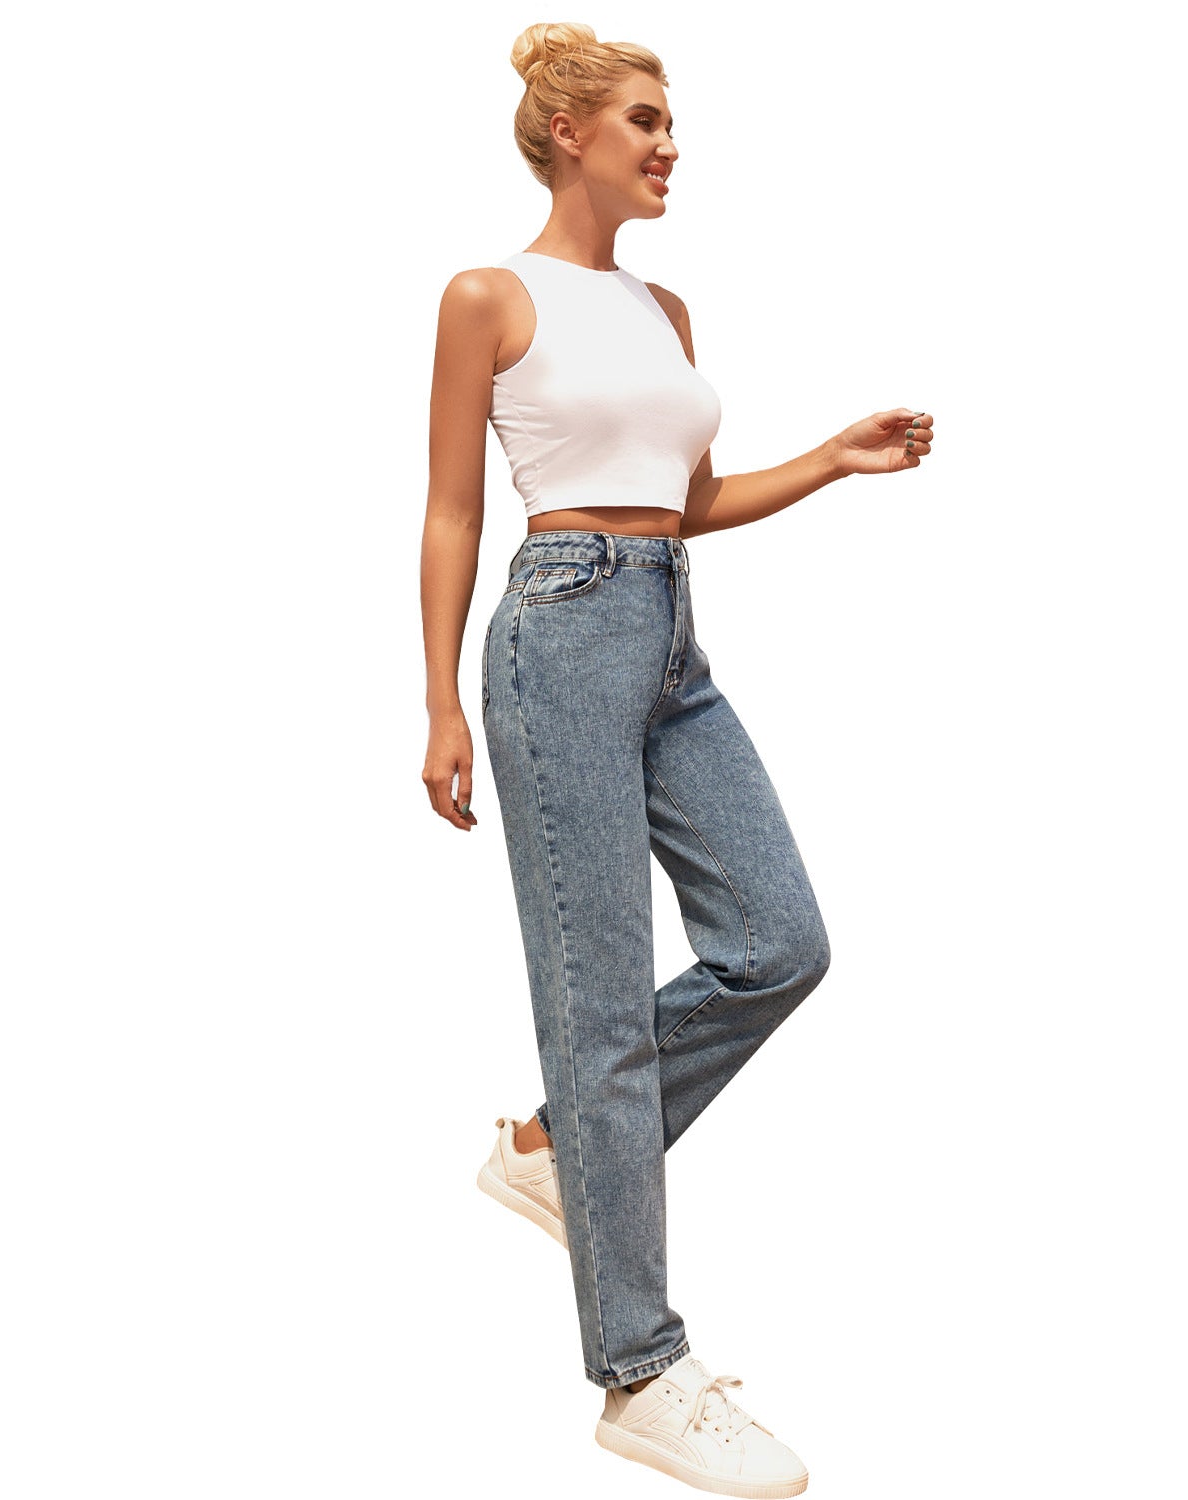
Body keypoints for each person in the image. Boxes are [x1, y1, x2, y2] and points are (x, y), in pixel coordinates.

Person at [420, 21, 935, 1497]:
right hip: (558, 632)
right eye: (645, 120)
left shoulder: (667, 311)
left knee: (779, 943)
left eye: (669, 122)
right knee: (600, 1008)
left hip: (667, 638)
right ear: (568, 132)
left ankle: (549, 1151)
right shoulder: (487, 295)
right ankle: (641, 1372)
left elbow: (685, 500)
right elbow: (453, 509)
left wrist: (829, 459)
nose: (670, 144)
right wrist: (440, 702)